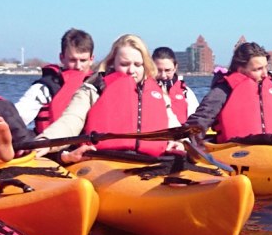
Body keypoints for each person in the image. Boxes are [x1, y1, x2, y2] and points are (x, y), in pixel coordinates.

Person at [36, 34, 183, 164]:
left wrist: (182, 142)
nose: (132, 70)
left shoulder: (158, 94)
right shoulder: (94, 89)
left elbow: (174, 127)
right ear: (113, 63)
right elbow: (71, 121)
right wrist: (45, 142)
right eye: (124, 64)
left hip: (149, 162)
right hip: (103, 160)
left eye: (138, 65)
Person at [185, 42, 272, 141]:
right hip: (237, 151)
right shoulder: (223, 91)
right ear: (240, 69)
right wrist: (182, 140)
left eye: (266, 67)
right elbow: (199, 121)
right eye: (258, 69)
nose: (265, 74)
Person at [15, 28, 95, 133]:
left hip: (90, 146)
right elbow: (16, 120)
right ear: (61, 58)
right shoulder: (45, 88)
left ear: (91, 59)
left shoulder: (100, 87)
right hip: (49, 146)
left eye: (83, 60)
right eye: (72, 60)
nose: (78, 66)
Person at [151, 46, 199, 126]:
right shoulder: (143, 90)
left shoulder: (186, 92)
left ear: (175, 67)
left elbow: (195, 120)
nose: (163, 75)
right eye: (158, 70)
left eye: (167, 70)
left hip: (179, 135)